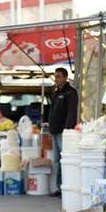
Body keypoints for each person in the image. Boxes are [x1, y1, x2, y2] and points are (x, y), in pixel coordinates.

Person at [48, 67, 78, 196]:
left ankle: (64, 187)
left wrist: (67, 130)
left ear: (65, 78)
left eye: (59, 76)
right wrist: (50, 128)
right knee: (56, 160)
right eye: (55, 76)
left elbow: (72, 113)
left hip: (63, 132)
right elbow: (52, 112)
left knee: (63, 160)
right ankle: (59, 187)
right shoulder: (55, 92)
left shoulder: (70, 93)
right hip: (54, 130)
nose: (56, 79)